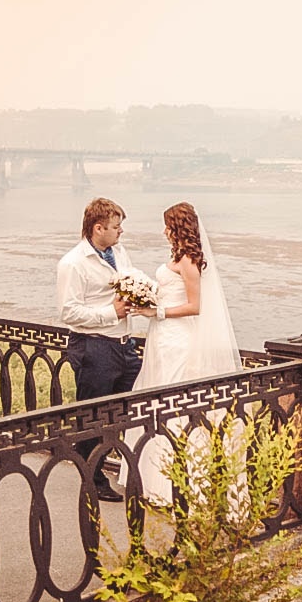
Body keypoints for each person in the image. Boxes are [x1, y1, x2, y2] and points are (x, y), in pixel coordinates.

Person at [126, 201, 242, 505]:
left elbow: (195, 306)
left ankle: (175, 483)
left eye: (167, 225)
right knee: (156, 401)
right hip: (163, 339)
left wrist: (157, 311)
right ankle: (154, 475)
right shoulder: (178, 257)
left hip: (177, 340)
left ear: (178, 227)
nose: (164, 231)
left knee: (172, 405)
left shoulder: (190, 260)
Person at [56, 197, 143, 502]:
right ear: (98, 228)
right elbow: (69, 312)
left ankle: (108, 462)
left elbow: (128, 283)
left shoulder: (118, 252)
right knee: (94, 416)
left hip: (124, 346)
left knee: (121, 413)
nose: (121, 232)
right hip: (93, 347)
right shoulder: (73, 263)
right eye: (117, 227)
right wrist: (112, 314)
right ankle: (91, 478)